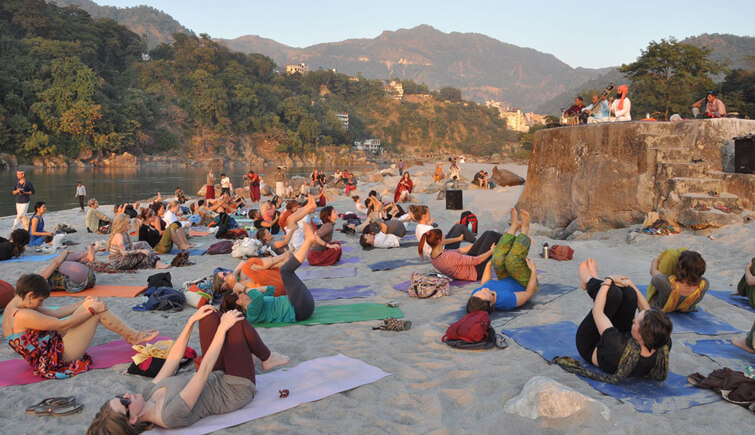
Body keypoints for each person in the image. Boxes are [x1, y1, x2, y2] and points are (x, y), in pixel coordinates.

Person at [87, 305, 289, 433]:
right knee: (235, 322)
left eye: (120, 395)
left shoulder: (147, 395)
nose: (127, 395)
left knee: (208, 315)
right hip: (234, 388)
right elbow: (201, 373)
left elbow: (173, 359)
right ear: (132, 420)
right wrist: (223, 329)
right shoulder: (168, 415)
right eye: (124, 402)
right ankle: (267, 358)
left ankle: (251, 356)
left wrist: (191, 321)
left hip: (214, 374)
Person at [3, 274, 159, 380]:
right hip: (58, 358)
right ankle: (133, 336)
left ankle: (133, 334)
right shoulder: (23, 315)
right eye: (40, 300)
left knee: (92, 306)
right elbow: (62, 323)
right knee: (96, 312)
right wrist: (91, 310)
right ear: (30, 295)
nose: (41, 304)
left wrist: (83, 303)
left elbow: (55, 313)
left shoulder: (16, 303)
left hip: (50, 347)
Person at [553, 258, 672, 384]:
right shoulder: (662, 342)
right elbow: (648, 311)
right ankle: (593, 279)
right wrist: (631, 284)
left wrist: (608, 279)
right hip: (617, 343)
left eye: (635, 322)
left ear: (641, 334)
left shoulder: (616, 344)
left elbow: (597, 312)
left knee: (612, 293)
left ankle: (589, 280)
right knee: (630, 294)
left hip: (590, 345)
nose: (633, 320)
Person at [220, 223, 320, 323]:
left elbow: (270, 289)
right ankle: (308, 241)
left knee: (286, 272)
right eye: (241, 294)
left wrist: (245, 289)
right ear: (239, 301)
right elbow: (257, 297)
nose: (244, 292)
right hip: (299, 310)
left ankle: (308, 242)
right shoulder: (251, 312)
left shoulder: (254, 301)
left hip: (302, 304)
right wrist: (241, 287)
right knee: (286, 271)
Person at [466, 209, 538, 313]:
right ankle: (524, 230)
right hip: (524, 281)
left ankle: (513, 227)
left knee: (497, 257)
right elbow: (528, 294)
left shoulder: (477, 297)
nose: (483, 289)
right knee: (511, 261)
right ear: (491, 304)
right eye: (485, 293)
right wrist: (533, 272)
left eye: (480, 291)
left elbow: (485, 284)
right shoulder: (506, 300)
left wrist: (489, 264)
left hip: (506, 276)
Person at [419, 228, 500, 281]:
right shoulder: (448, 256)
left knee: (487, 233)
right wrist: (491, 251)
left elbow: (461, 250)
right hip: (475, 272)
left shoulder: (433, 256)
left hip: (467, 267)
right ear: (439, 241)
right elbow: (477, 261)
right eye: (443, 236)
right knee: (491, 235)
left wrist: (478, 243)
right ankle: (509, 240)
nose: (445, 237)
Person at [647, 248, 708, 312]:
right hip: (687, 309)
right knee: (683, 249)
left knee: (671, 254)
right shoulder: (705, 284)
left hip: (661, 306)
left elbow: (653, 271)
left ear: (679, 268)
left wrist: (655, 261)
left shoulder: (664, 282)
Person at [410, 205, 475, 259]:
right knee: (460, 227)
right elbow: (442, 242)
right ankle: (477, 243)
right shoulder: (428, 229)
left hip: (434, 253)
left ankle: (476, 243)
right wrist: (458, 239)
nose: (430, 215)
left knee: (457, 226)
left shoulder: (418, 227)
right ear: (424, 216)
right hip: (442, 254)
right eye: (428, 213)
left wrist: (428, 223)